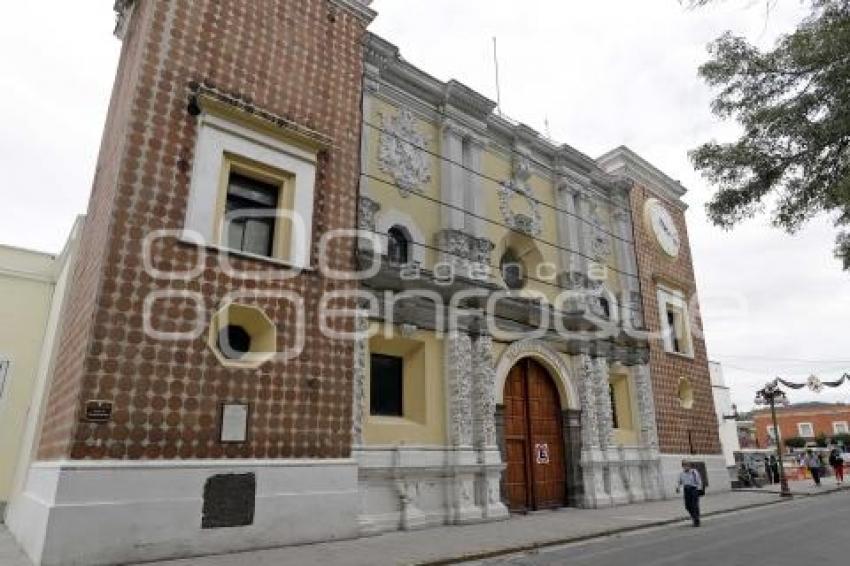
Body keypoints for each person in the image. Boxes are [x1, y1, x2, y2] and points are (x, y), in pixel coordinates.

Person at [676, 460, 703, 527]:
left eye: (687, 465)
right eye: (684, 465)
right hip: (686, 490)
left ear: (689, 466)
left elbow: (699, 481)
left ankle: (696, 520)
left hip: (694, 489)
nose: (685, 467)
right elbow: (679, 482)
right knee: (687, 506)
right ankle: (695, 517)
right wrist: (677, 488)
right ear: (682, 466)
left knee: (694, 505)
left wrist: (699, 489)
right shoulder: (681, 474)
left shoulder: (694, 472)